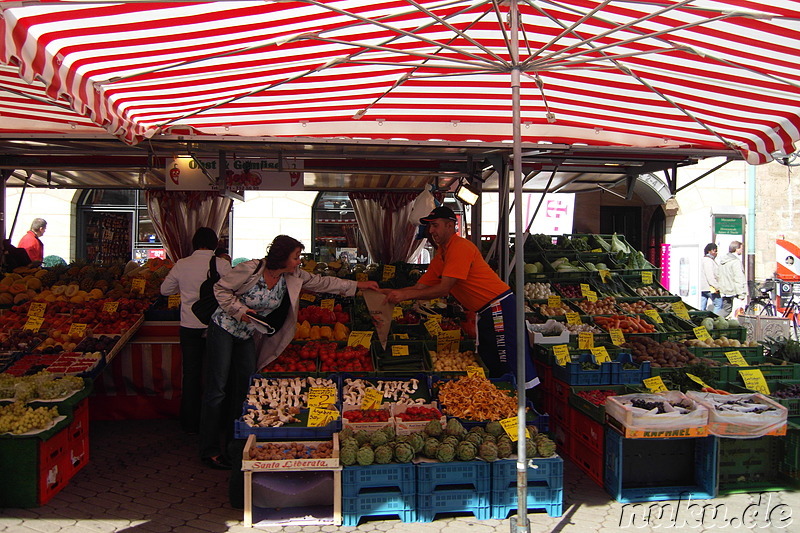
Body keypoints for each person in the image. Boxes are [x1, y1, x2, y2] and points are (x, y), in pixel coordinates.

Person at [199, 235, 380, 470]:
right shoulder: (250, 269)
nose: (298, 262)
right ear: (282, 256)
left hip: (247, 334)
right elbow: (220, 289)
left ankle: (237, 443)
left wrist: (358, 286)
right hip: (224, 328)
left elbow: (323, 282)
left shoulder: (292, 276)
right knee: (218, 389)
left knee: (245, 385)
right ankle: (210, 449)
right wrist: (240, 310)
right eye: (296, 257)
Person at [384, 206, 539, 389]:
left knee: (509, 358)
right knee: (490, 358)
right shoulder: (442, 254)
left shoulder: (460, 247)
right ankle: (501, 399)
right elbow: (420, 287)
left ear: (451, 225)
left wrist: (403, 295)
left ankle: (525, 406)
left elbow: (443, 289)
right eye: (430, 227)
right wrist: (390, 293)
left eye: (435, 225)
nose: (431, 231)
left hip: (500, 307)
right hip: (485, 312)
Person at [160, 228, 232, 437]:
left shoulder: (182, 265)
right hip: (216, 326)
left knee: (191, 374)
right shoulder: (222, 264)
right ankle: (214, 422)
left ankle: (189, 422)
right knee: (216, 375)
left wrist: (185, 290)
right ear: (214, 244)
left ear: (194, 243)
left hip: (189, 325)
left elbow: (165, 290)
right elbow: (236, 289)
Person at [718, 240, 746, 319]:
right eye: (741, 248)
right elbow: (739, 278)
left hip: (725, 290)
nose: (742, 250)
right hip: (733, 291)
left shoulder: (723, 261)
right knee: (730, 311)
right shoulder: (735, 262)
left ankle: (715, 322)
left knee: (726, 309)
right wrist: (741, 294)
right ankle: (714, 321)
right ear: (736, 249)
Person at [700, 243, 723, 315]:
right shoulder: (708, 261)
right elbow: (710, 276)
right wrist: (717, 287)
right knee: (719, 303)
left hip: (703, 288)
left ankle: (700, 319)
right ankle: (714, 320)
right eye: (714, 251)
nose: (716, 253)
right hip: (710, 288)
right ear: (709, 251)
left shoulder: (704, 260)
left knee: (701, 307)